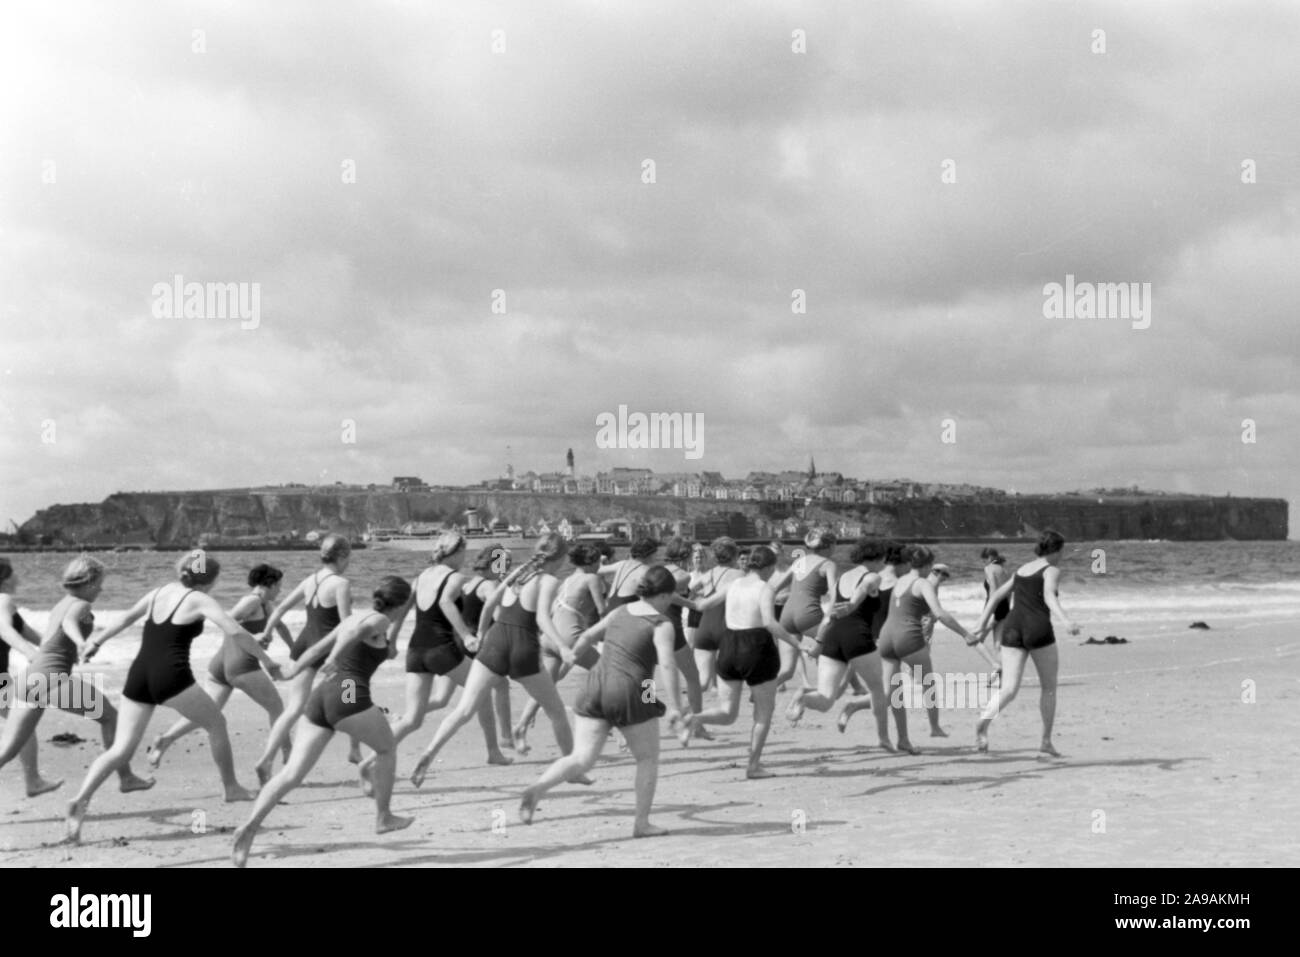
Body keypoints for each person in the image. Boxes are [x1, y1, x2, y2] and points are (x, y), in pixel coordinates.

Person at [67, 551, 274, 843]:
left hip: (139, 674)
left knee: (121, 748)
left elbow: (126, 618)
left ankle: (80, 799)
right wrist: (269, 660)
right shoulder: (200, 599)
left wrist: (96, 642)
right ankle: (231, 787)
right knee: (216, 723)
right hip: (171, 676)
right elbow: (236, 631)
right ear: (211, 579)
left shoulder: (158, 592)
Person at [232, 577, 416, 867]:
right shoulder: (374, 620)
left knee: (291, 774)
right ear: (401, 603)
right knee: (387, 748)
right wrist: (336, 655)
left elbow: (314, 650)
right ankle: (384, 816)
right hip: (348, 692)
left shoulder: (360, 618)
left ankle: (249, 827)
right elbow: (358, 632)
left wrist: (292, 672)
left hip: (321, 697)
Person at [519, 566, 682, 837]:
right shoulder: (662, 623)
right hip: (636, 687)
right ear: (665, 595)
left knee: (581, 758)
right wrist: (676, 706)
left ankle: (538, 788)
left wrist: (571, 655)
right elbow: (666, 664)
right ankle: (641, 824)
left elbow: (586, 636)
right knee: (647, 758)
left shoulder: (619, 612)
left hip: (595, 685)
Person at [409, 533, 583, 788]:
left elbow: (490, 603)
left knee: (463, 710)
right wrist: (563, 647)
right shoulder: (548, 580)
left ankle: (429, 753)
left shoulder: (518, 573)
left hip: (493, 644)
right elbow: (542, 619)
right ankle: (572, 770)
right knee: (556, 711)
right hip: (522, 647)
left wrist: (479, 634)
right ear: (560, 558)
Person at [361, 532, 510, 791]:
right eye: (463, 552)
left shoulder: (422, 576)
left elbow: (404, 608)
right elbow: (445, 602)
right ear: (455, 552)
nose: (465, 558)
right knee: (482, 689)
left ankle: (369, 761)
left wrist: (391, 641)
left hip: (416, 650)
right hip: (441, 650)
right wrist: (466, 636)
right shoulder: (455, 578)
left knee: (412, 719)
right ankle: (491, 751)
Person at [145, 564, 290, 769]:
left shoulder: (266, 605)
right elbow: (228, 621)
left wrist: (294, 649)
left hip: (220, 666)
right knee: (277, 708)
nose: (281, 590)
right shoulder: (252, 601)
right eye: (280, 586)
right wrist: (255, 637)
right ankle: (284, 757)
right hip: (241, 665)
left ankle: (166, 739)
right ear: (271, 584)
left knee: (207, 713)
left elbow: (281, 626)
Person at [681, 546, 800, 778]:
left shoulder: (733, 584)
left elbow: (700, 605)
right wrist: (798, 644)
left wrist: (666, 598)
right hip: (756, 647)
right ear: (767, 567)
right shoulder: (764, 587)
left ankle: (693, 717)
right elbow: (769, 622)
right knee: (763, 713)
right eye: (772, 569)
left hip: (729, 645)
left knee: (728, 713)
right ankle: (753, 766)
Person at [253, 534, 358, 782]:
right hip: (326, 648)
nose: (349, 562)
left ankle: (266, 759)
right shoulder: (340, 584)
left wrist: (266, 633)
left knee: (293, 709)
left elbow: (279, 608)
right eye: (349, 557)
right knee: (352, 692)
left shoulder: (310, 580)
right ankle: (354, 750)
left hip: (303, 645)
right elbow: (346, 625)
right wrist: (340, 654)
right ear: (342, 556)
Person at [975, 530, 1079, 757]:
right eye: (1062, 550)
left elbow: (995, 596)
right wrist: (1066, 621)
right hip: (1038, 629)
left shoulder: (1022, 569)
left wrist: (980, 624)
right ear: (1056, 550)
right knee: (1049, 688)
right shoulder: (1051, 570)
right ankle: (1045, 741)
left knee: (1009, 689)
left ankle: (984, 721)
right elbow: (1050, 596)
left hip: (1012, 629)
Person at [786, 539, 893, 749]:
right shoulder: (873, 576)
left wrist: (818, 642)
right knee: (881, 691)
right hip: (857, 637)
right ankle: (883, 738)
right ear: (879, 558)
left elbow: (828, 613)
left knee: (826, 699)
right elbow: (865, 586)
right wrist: (853, 604)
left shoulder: (842, 577)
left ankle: (804, 699)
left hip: (833, 637)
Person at [873, 546, 980, 754]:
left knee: (893, 692)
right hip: (908, 639)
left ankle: (902, 739)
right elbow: (939, 613)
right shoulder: (922, 583)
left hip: (886, 638)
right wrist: (965, 634)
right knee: (928, 685)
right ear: (929, 565)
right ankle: (935, 727)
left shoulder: (899, 580)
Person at [513, 542, 605, 751]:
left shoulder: (566, 580)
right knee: (607, 674)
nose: (600, 565)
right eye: (599, 561)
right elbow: (602, 611)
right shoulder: (592, 578)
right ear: (592, 562)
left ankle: (521, 725)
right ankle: (609, 726)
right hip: (570, 637)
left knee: (547, 684)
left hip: (549, 637)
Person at [0, 558, 71, 795]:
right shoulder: (3, 600)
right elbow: (5, 630)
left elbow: (27, 632)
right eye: (14, 574)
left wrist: (56, 650)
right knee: (23, 723)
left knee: (22, 723)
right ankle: (33, 781)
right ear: (5, 578)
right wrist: (30, 653)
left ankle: (33, 780)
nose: (18, 578)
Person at [837, 541, 906, 731]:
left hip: (868, 639)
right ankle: (854, 706)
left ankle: (903, 739)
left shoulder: (871, 578)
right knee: (890, 693)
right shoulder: (895, 583)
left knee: (894, 693)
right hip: (883, 642)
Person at [459, 546, 515, 752]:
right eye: (503, 563)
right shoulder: (490, 586)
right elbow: (500, 617)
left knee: (442, 698)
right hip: (480, 644)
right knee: (498, 686)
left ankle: (407, 718)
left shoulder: (469, 583)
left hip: (462, 643)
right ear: (495, 564)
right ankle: (506, 737)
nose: (506, 567)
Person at [767, 528, 838, 689]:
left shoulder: (799, 562)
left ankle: (762, 690)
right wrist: (829, 616)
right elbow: (835, 595)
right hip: (808, 613)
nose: (835, 548)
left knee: (786, 670)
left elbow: (775, 588)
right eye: (835, 544)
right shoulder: (828, 564)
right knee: (836, 644)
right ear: (828, 546)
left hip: (787, 615)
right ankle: (840, 687)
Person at [657, 537, 705, 723]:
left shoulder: (655, 571)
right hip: (672, 627)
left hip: (650, 625)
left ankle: (650, 704)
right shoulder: (683, 575)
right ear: (685, 555)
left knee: (646, 676)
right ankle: (696, 722)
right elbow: (671, 596)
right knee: (692, 677)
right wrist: (693, 603)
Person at [690, 537, 743, 696]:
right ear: (734, 556)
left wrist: (701, 595)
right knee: (730, 678)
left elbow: (691, 588)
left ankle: (683, 711)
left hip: (705, 626)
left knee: (703, 681)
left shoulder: (709, 574)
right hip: (726, 627)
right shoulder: (739, 574)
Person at [598, 538, 659, 612]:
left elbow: (598, 570)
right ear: (651, 554)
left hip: (611, 611)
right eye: (656, 553)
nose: (657, 556)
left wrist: (600, 559)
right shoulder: (646, 570)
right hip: (625, 613)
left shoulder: (622, 564)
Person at [981, 548, 1012, 677]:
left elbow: (993, 589)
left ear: (988, 558)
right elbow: (1009, 592)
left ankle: (996, 666)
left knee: (976, 639)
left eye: (984, 559)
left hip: (994, 606)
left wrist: (990, 611)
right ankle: (1002, 674)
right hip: (1005, 607)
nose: (984, 562)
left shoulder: (989, 568)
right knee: (998, 644)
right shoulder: (1004, 570)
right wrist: (1007, 609)